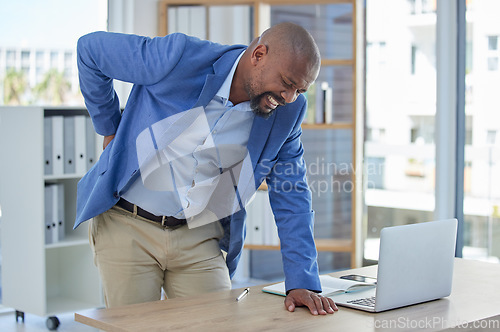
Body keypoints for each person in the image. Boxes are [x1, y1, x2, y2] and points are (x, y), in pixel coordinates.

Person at [75, 22, 338, 316]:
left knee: (219, 323)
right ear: (259, 55)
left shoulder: (288, 111)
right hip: (128, 224)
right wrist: (109, 127)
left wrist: (302, 282)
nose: (289, 97)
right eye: (287, 83)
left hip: (197, 236)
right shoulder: (180, 57)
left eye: (300, 90)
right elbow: (90, 51)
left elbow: (292, 194)